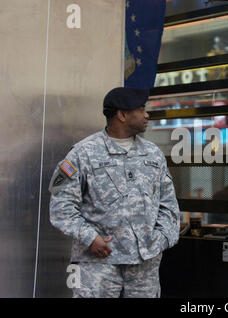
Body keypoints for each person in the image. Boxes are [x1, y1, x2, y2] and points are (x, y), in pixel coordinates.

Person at [49, 87, 180, 298]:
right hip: (97, 264)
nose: (147, 115)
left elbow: (169, 205)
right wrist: (90, 238)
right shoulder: (82, 154)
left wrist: (161, 239)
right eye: (141, 109)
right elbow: (61, 207)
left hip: (144, 264)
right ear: (122, 114)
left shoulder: (153, 154)